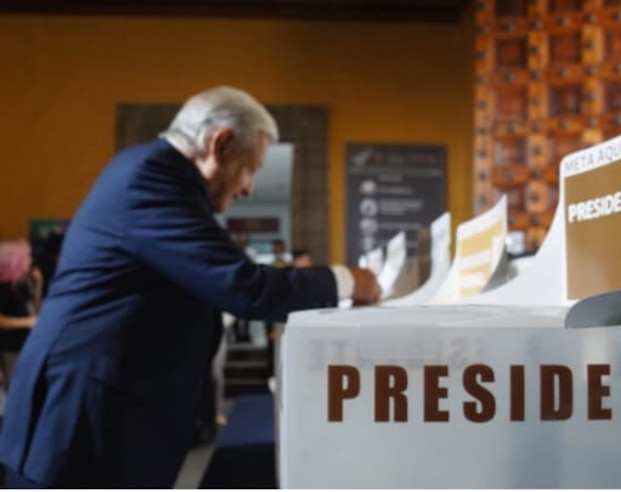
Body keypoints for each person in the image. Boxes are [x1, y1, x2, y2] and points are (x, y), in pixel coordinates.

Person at [0, 86, 381, 488]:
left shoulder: (156, 174)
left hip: (101, 415)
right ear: (220, 143)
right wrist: (347, 279)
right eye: (250, 168)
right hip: (78, 421)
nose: (249, 187)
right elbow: (245, 286)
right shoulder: (152, 180)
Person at [0, 239, 42, 385]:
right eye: (27, 256)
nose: (30, 259)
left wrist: (38, 285)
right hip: (11, 349)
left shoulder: (22, 284)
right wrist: (27, 322)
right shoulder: (4, 287)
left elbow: (35, 310)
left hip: (25, 346)